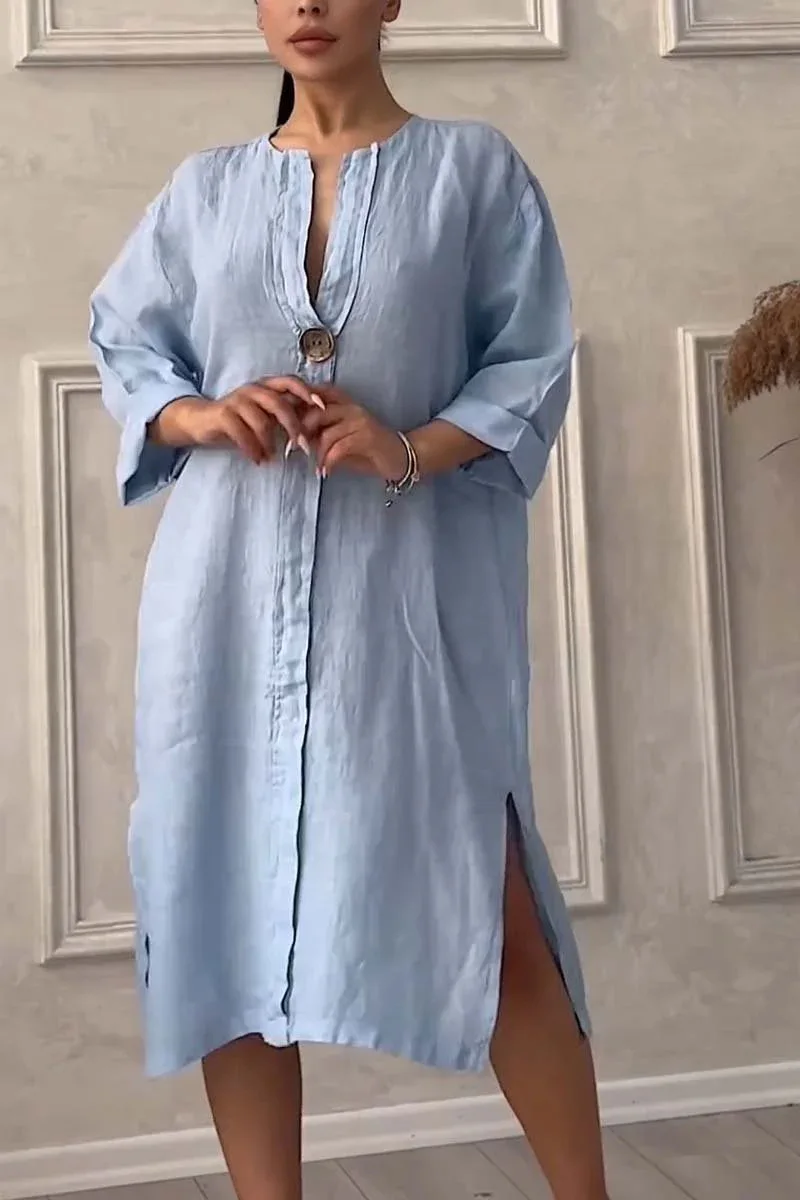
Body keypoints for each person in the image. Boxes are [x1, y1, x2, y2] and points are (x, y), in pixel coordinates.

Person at [89, 2, 610, 1198]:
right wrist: (200, 413)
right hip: (221, 611)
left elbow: (530, 359)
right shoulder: (204, 189)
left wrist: (408, 445)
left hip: (408, 608)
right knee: (225, 914)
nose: (311, 6)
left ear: (391, 2)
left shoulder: (472, 172)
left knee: (487, 907)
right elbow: (125, 345)